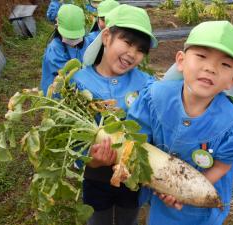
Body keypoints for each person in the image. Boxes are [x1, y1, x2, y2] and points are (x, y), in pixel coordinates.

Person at [127, 21, 233, 225]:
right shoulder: (154, 97)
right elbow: (139, 140)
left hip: (201, 202)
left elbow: (223, 165)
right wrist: (161, 184)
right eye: (202, 56)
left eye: (225, 64)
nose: (210, 68)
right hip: (160, 193)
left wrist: (185, 191)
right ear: (181, 60)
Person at [70, 4, 158, 225]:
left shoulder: (147, 84)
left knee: (128, 216)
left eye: (140, 50)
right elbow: (71, 134)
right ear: (107, 36)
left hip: (132, 176)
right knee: (97, 217)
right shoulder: (79, 82)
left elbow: (156, 126)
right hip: (95, 175)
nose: (132, 53)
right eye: (127, 42)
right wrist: (90, 158)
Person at [41, 4, 94, 96]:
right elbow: (69, 77)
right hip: (58, 91)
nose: (73, 41)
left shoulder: (87, 42)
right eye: (69, 36)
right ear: (57, 26)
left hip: (77, 88)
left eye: (76, 37)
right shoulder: (54, 50)